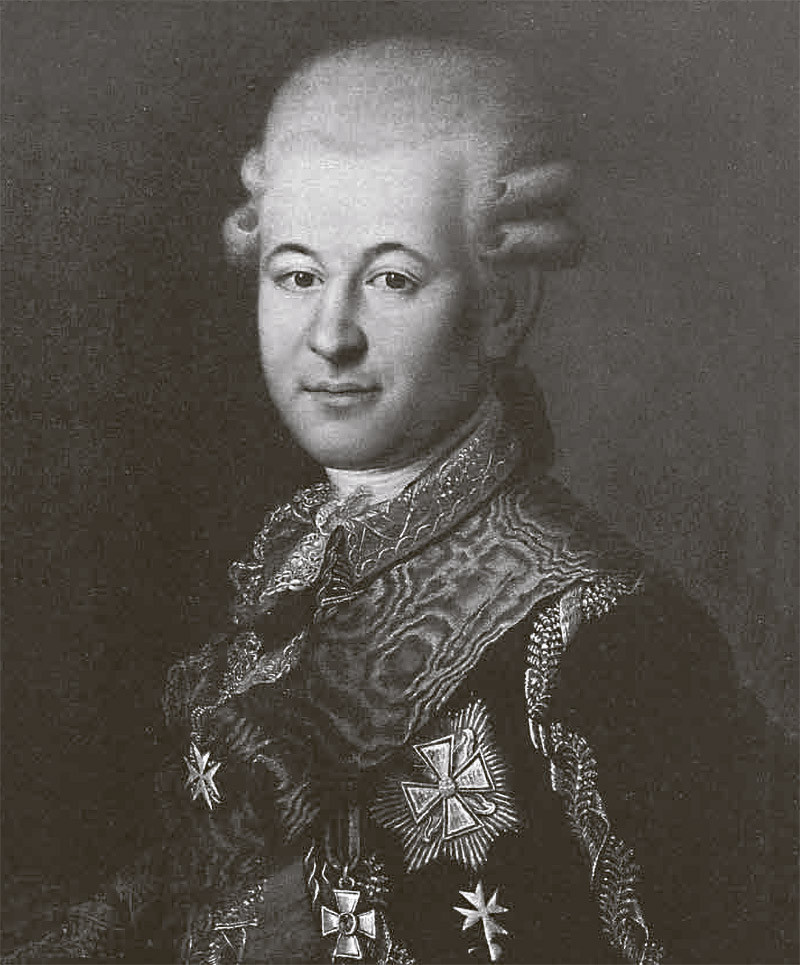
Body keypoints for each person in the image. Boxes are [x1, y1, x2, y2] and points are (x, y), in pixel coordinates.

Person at [5, 36, 796, 965]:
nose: (331, 335)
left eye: (391, 279)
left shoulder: (605, 635)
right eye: (298, 275)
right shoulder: (294, 565)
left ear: (503, 306)